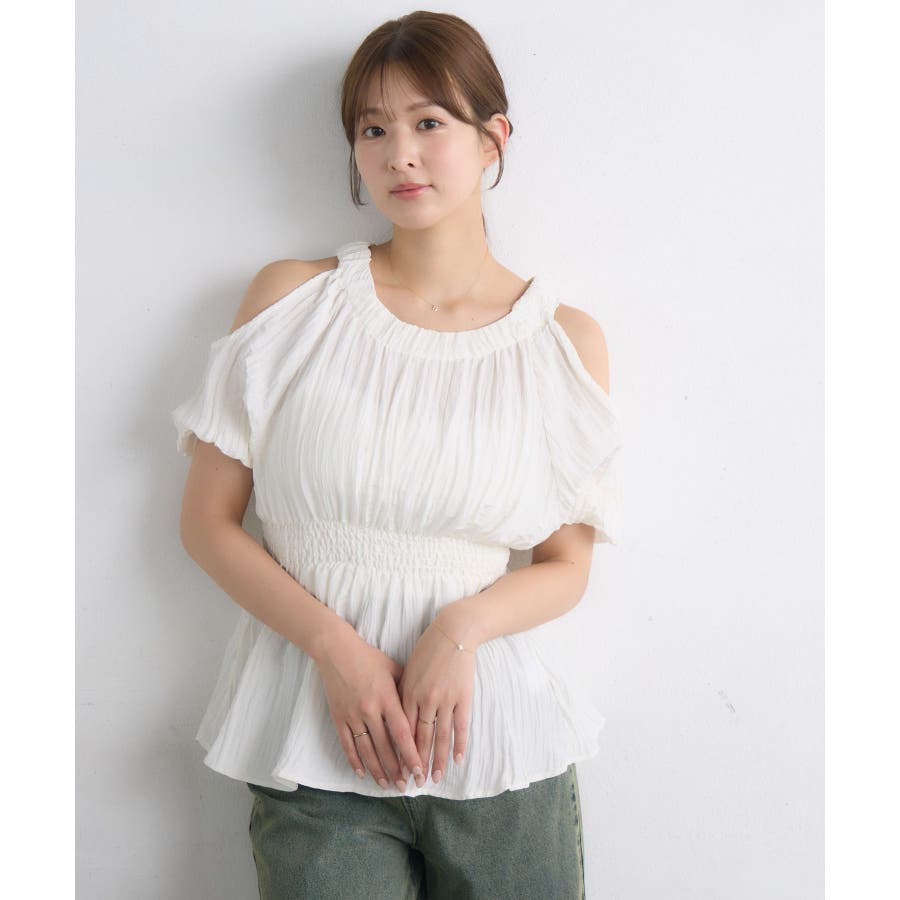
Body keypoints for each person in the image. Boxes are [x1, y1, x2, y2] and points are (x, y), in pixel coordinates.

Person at [171, 10, 623, 899]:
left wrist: (459, 629)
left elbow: (566, 566)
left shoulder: (563, 342)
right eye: (373, 129)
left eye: (429, 122)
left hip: (499, 745)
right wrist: (336, 651)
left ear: (493, 139)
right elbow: (206, 523)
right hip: (314, 739)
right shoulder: (292, 303)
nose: (400, 155)